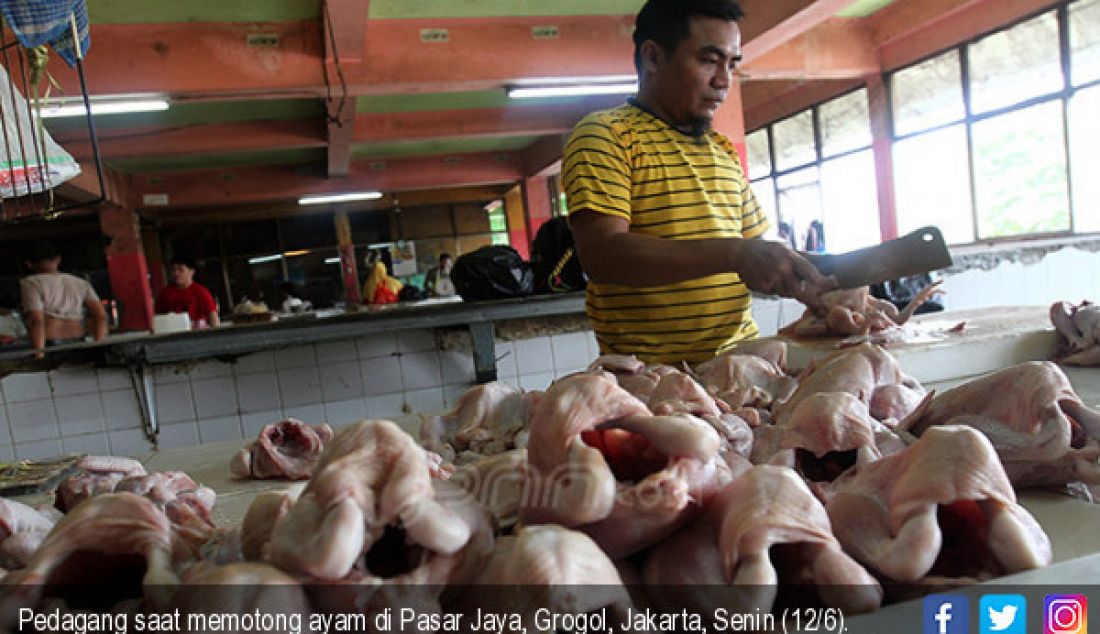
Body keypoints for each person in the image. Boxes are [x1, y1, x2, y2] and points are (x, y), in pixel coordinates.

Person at [563, 0, 835, 364]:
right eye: (709, 60)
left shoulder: (721, 150)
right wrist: (735, 254)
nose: (724, 80)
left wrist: (820, 279)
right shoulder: (605, 135)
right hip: (653, 382)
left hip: (743, 366)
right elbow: (603, 254)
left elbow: (758, 247)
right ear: (653, 58)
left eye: (731, 64)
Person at [19, 240, 107, 357]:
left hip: (51, 342)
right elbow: (101, 316)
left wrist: (39, 354)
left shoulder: (30, 283)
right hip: (78, 340)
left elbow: (36, 321)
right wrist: (98, 344)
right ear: (58, 259)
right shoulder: (80, 282)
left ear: (29, 264)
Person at [156, 256, 220, 328]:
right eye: (173, 270)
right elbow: (159, 317)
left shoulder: (200, 291)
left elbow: (213, 316)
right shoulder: (165, 293)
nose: (176, 273)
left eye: (181, 270)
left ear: (192, 272)